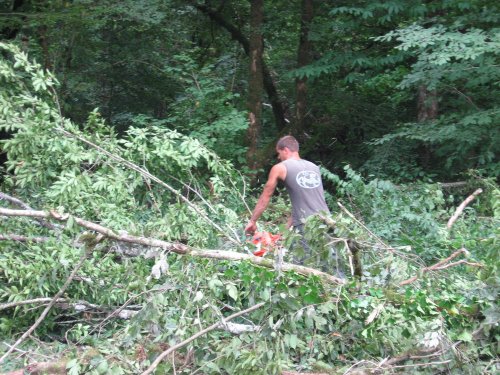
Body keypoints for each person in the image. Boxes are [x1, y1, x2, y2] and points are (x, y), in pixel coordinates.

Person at [245, 135, 333, 268]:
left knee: (302, 269)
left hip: (306, 225)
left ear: (285, 150)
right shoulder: (314, 167)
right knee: (332, 266)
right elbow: (306, 202)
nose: (278, 157)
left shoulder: (280, 168)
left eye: (278, 153)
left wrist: (252, 221)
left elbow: (265, 197)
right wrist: (286, 229)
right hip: (327, 221)